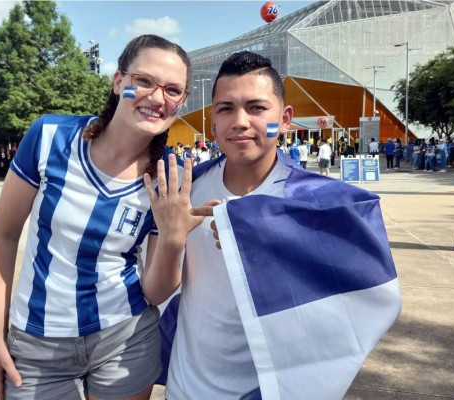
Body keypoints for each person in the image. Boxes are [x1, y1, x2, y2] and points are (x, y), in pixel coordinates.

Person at [150, 51, 400, 400]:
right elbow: (153, 290)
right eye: (226, 109)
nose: (240, 121)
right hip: (184, 388)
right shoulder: (184, 191)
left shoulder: (312, 203)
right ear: (212, 123)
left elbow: (377, 294)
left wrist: (266, 236)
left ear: (284, 119)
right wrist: (172, 239)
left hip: (269, 391)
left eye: (256, 108)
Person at [0, 34, 195, 400]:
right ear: (118, 82)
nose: (157, 98)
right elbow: (3, 237)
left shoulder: (168, 176)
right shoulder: (51, 136)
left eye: (172, 90)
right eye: (144, 81)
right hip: (37, 344)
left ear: (182, 101)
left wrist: (174, 240)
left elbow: (155, 291)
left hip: (125, 339)